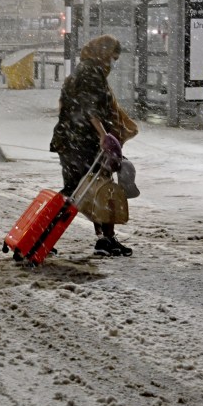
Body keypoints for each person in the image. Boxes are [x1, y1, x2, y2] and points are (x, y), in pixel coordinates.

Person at [50, 34, 138, 257]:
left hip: (70, 140)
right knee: (98, 190)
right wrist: (103, 135)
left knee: (78, 191)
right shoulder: (92, 72)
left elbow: (69, 105)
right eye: (112, 58)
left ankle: (44, 234)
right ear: (104, 54)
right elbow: (90, 108)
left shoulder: (81, 70)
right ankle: (104, 239)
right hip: (83, 142)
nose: (112, 63)